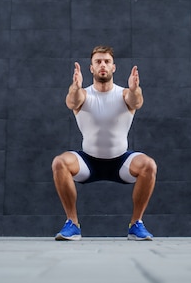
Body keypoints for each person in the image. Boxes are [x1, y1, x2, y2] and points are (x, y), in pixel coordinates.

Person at [51, 45, 157, 241]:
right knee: (60, 162)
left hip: (120, 162)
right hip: (88, 162)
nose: (102, 65)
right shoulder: (83, 94)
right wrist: (75, 87)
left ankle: (136, 224)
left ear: (113, 67)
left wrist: (135, 89)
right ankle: (72, 224)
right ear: (91, 68)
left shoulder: (124, 93)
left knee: (149, 165)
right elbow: (72, 102)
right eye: (98, 61)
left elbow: (136, 102)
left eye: (107, 62)